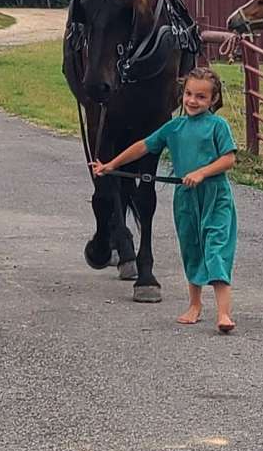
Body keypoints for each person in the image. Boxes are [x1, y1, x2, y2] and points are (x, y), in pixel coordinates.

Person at [91, 67, 238, 334]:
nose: (193, 101)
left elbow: (229, 159)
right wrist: (111, 165)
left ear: (213, 100)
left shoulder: (218, 126)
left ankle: (224, 313)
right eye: (189, 94)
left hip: (215, 196)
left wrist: (201, 172)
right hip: (186, 199)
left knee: (216, 249)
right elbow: (144, 146)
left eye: (201, 97)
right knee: (192, 249)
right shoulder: (174, 127)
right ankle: (194, 306)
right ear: (182, 94)